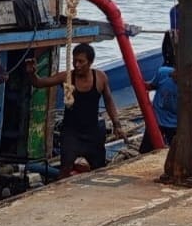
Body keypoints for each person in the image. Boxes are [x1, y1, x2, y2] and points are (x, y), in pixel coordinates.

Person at [29, 43, 124, 174]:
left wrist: (117, 124)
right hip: (71, 133)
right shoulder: (67, 77)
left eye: (81, 61)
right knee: (65, 169)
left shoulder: (100, 78)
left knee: (100, 169)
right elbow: (39, 83)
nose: (77, 65)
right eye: (74, 61)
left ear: (90, 62)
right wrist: (32, 74)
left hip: (93, 133)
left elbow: (109, 101)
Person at [147, 59, 192, 147]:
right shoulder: (163, 73)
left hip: (175, 123)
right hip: (156, 118)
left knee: (176, 149)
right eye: (175, 70)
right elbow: (151, 86)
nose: (173, 74)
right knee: (147, 148)